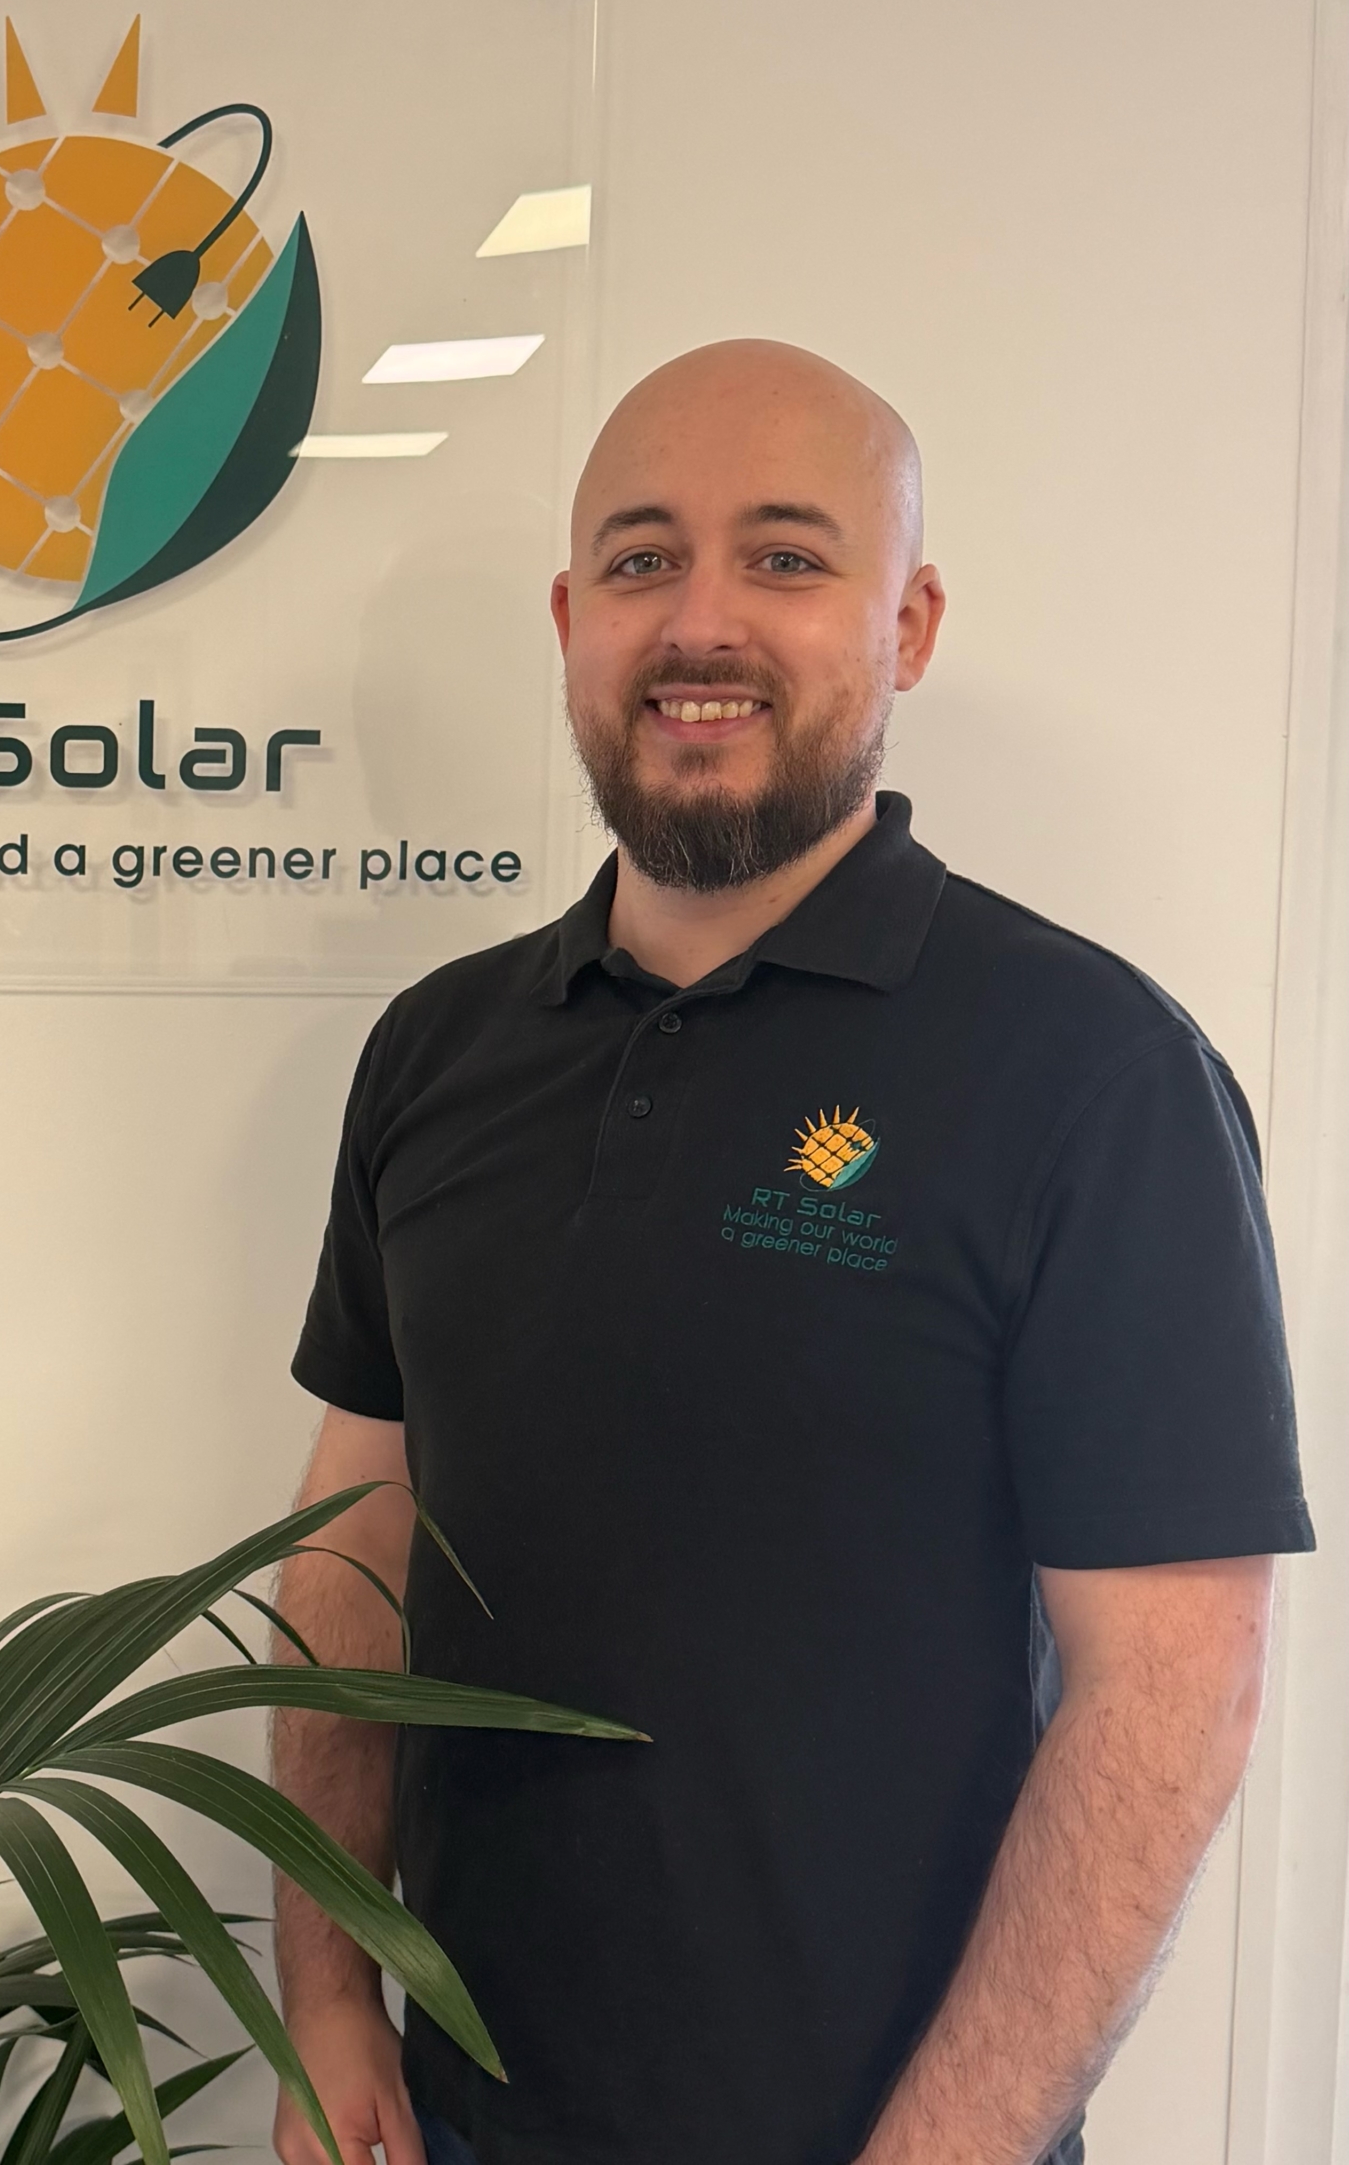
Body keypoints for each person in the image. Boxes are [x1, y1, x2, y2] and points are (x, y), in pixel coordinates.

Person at [271, 340, 1312, 2165]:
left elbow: (1171, 1692)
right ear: (570, 616)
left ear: (903, 625)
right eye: (642, 558)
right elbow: (354, 1543)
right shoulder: (434, 1055)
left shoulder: (1088, 1073)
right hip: (446, 2127)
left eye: (784, 557)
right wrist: (328, 1992)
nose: (700, 624)